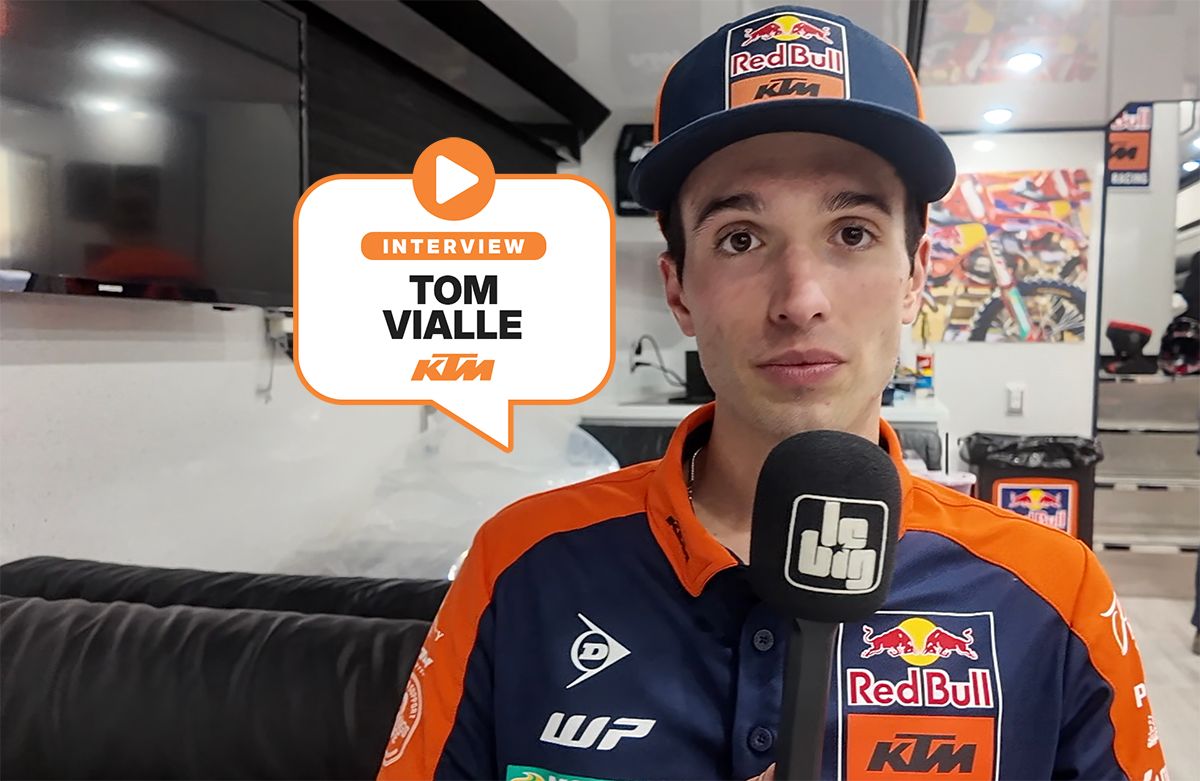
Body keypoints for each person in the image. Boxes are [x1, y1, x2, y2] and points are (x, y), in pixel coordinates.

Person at [378, 6, 1167, 780]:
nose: (800, 299)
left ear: (914, 277)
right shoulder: (518, 564)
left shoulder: (1052, 591)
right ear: (680, 291)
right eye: (741, 239)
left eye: (852, 232)